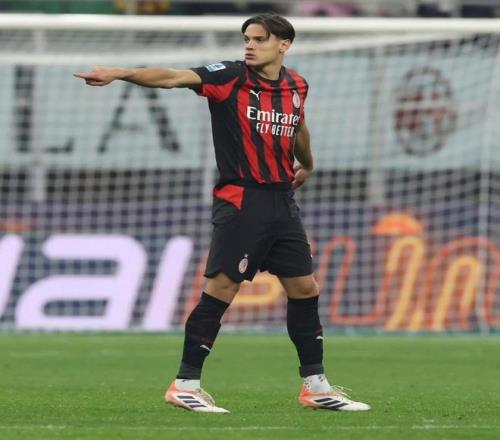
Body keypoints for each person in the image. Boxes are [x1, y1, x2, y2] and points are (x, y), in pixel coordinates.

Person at [74, 13, 370, 414]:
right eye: (247, 38)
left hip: (282, 201)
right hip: (242, 200)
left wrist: (309, 163)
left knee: (304, 288)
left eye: (259, 39)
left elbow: (297, 124)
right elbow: (172, 77)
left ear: (284, 45)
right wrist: (119, 73)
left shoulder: (297, 85)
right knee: (222, 289)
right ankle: (185, 384)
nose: (250, 45)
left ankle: (316, 387)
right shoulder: (230, 77)